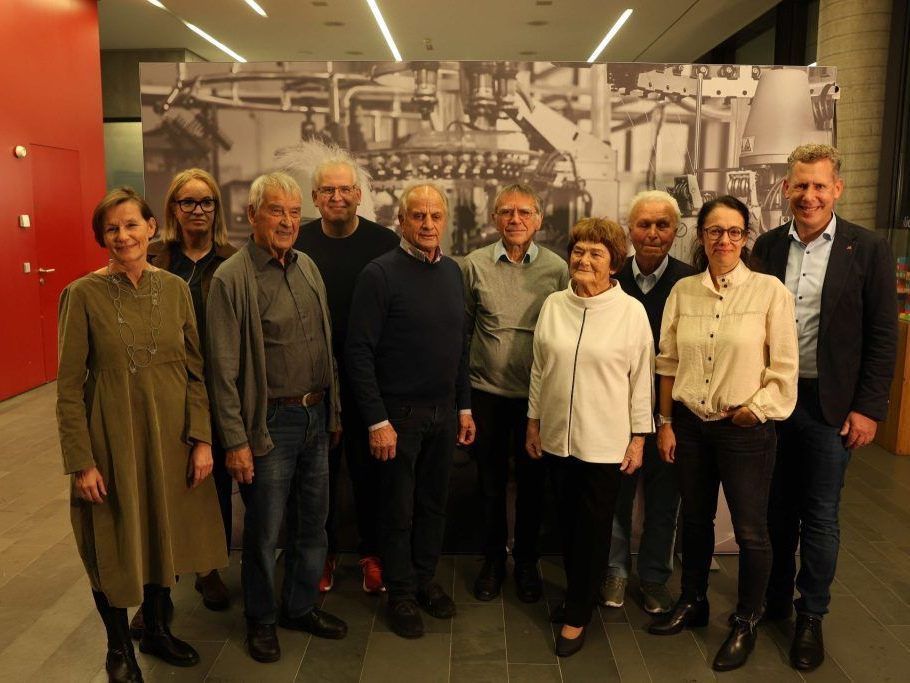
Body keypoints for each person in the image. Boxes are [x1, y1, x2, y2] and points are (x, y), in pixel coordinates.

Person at [56, 187, 227, 682]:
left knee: (162, 532)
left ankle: (156, 629)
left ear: (152, 227)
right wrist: (80, 462)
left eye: (132, 224)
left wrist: (201, 439)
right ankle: (117, 650)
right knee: (111, 539)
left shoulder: (175, 290)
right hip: (111, 441)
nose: (123, 235)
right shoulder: (81, 295)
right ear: (101, 238)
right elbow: (68, 388)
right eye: (112, 229)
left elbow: (197, 370)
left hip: (171, 437)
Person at [752, 144, 898, 671]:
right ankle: (770, 602)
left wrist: (868, 409)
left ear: (837, 189)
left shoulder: (869, 248)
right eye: (800, 185)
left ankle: (810, 614)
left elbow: (883, 336)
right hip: (773, 402)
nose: (808, 195)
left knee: (819, 515)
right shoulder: (766, 247)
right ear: (786, 189)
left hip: (830, 406)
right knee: (774, 510)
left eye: (819, 186)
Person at [648, 196, 798, 672]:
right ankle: (693, 602)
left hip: (744, 430)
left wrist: (756, 411)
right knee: (693, 521)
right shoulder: (683, 292)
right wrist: (667, 423)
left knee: (752, 531)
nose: (724, 240)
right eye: (715, 231)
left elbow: (785, 368)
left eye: (734, 231)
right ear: (702, 237)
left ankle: (746, 619)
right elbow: (667, 362)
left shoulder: (769, 291)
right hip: (690, 425)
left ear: (745, 236)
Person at [206, 172, 347, 664]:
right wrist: (236, 442)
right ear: (252, 215)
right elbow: (222, 372)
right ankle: (262, 620)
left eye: (293, 212)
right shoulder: (232, 279)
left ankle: (301, 605)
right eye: (276, 211)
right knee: (264, 533)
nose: (287, 221)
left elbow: (326, 346)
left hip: (315, 415)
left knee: (314, 524)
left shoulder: (307, 266)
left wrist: (333, 413)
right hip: (268, 425)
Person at [345, 182, 476, 639]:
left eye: (434, 216)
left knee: (433, 505)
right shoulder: (379, 275)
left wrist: (464, 408)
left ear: (445, 221)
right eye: (417, 215)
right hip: (397, 417)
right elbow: (358, 352)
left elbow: (459, 347)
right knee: (396, 510)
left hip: (443, 412)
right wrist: (377, 421)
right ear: (400, 221)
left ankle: (424, 580)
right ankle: (400, 593)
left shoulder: (453, 273)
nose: (426, 224)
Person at [525, 218, 654, 658]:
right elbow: (540, 368)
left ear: (614, 262)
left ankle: (578, 613)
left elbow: (642, 380)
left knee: (594, 530)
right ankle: (578, 592)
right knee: (565, 524)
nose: (584, 259)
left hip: (605, 443)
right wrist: (533, 421)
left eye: (596, 253)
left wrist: (639, 436)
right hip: (557, 438)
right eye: (578, 250)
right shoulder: (554, 305)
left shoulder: (630, 312)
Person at [292, 150, 398, 595]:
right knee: (319, 477)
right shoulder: (296, 244)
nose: (337, 196)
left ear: (359, 195)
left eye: (345, 189)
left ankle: (373, 553)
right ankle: (324, 554)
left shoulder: (385, 244)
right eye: (327, 190)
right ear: (315, 197)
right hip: (314, 380)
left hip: (370, 381)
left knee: (371, 473)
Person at [462, 183, 568, 604]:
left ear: (539, 219)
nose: (516, 220)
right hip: (486, 393)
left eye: (525, 212)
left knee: (532, 485)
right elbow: (463, 330)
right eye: (506, 212)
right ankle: (492, 560)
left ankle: (525, 562)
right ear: (494, 218)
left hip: (536, 400)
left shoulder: (558, 270)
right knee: (488, 484)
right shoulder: (473, 266)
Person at [144, 168, 237, 615]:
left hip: (216, 389)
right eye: (188, 202)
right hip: (164, 387)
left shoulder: (233, 261)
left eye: (206, 202)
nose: (198, 210)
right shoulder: (153, 259)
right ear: (173, 210)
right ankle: (158, 582)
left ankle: (208, 568)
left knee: (212, 482)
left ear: (217, 209)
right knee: (161, 485)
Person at [601, 191, 696, 615]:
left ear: (676, 231)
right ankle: (615, 571)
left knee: (663, 499)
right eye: (644, 224)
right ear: (630, 229)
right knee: (615, 497)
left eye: (663, 225)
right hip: (614, 410)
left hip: (672, 415)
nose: (653, 233)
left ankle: (655, 577)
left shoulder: (692, 282)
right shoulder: (609, 276)